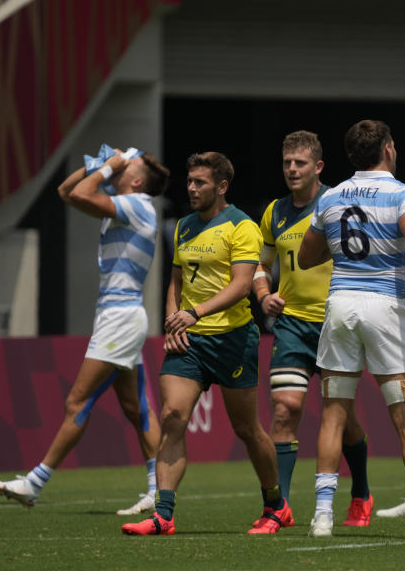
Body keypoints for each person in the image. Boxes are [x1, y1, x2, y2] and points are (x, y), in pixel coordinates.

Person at [0, 149, 169, 514]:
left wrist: (107, 167)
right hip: (118, 315)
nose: (121, 164)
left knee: (78, 401)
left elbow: (81, 194)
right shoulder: (127, 202)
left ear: (136, 182)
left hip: (119, 317)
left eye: (128, 166)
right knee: (137, 409)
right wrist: (98, 167)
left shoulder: (138, 203)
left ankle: (34, 482)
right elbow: (65, 191)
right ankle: (157, 490)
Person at [121, 152, 288, 536]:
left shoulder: (242, 227)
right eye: (190, 181)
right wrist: (172, 318)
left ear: (222, 186)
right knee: (172, 418)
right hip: (190, 342)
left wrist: (193, 313)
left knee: (247, 429)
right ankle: (163, 515)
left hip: (233, 340)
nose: (191, 188)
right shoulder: (184, 226)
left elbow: (241, 286)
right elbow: (176, 281)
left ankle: (276, 505)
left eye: (200, 182)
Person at [298, 119, 405, 540]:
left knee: (332, 417)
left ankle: (323, 516)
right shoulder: (401, 193)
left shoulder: (332, 196)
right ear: (386, 148)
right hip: (383, 308)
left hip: (341, 306)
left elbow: (307, 258)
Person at [254, 131, 373, 528]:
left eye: (300, 163)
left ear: (318, 167)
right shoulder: (273, 211)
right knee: (285, 409)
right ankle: (279, 507)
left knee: (344, 416)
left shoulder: (338, 203)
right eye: (287, 162)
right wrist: (262, 291)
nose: (291, 169)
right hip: (291, 325)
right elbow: (260, 264)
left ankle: (361, 491)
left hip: (337, 321)